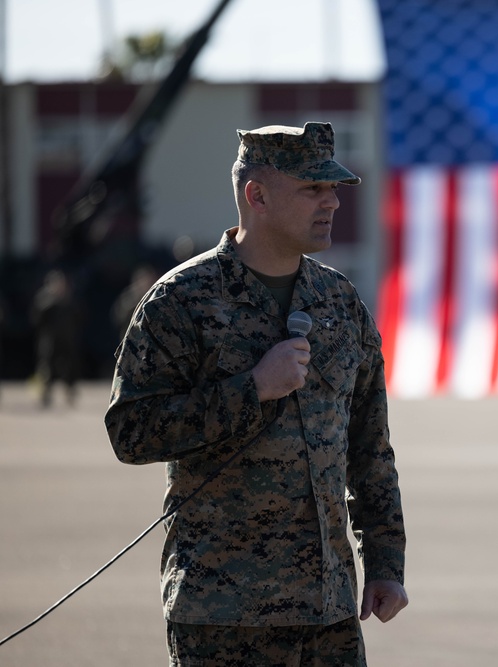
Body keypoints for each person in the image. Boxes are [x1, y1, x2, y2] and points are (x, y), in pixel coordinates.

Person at [105, 122, 407, 666]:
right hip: (224, 614)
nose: (332, 202)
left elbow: (370, 446)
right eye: (312, 188)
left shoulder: (339, 302)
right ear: (257, 195)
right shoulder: (180, 301)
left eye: (334, 188)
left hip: (328, 613)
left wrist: (386, 562)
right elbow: (131, 431)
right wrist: (252, 390)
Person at [31, 269, 83, 408]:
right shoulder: (44, 299)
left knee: (69, 367)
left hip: (67, 339)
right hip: (50, 340)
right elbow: (36, 319)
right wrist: (51, 301)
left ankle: (70, 392)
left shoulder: (69, 300)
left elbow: (79, 317)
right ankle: (45, 393)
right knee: (46, 367)